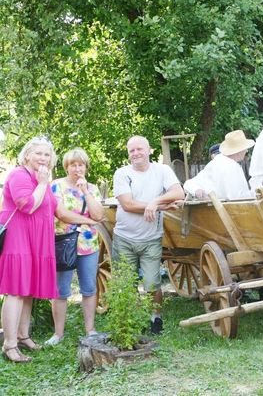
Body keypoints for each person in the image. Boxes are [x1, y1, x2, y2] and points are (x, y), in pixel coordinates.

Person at [0, 137, 97, 363]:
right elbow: (27, 205)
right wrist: (43, 183)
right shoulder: (19, 176)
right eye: (38, 154)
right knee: (15, 291)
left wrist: (90, 221)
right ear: (27, 156)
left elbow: (59, 211)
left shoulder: (38, 179)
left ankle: (23, 336)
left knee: (27, 291)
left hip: (35, 243)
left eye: (47, 154)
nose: (43, 158)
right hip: (18, 241)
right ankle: (10, 344)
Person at [112, 135, 185, 335]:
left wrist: (155, 203)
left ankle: (155, 318)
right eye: (131, 151)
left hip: (151, 238)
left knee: (152, 282)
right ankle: (134, 319)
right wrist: (160, 205)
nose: (135, 153)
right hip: (125, 237)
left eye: (139, 149)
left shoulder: (162, 170)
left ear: (149, 150)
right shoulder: (122, 173)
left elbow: (178, 193)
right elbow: (128, 205)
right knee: (127, 282)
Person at [44, 148, 105, 346]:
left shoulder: (93, 189)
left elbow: (98, 215)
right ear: (66, 167)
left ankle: (90, 330)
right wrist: (86, 221)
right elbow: (62, 214)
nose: (77, 169)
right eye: (73, 165)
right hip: (64, 243)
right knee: (61, 290)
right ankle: (58, 333)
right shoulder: (56, 186)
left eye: (80, 164)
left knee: (89, 288)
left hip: (88, 245)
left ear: (86, 167)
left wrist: (85, 191)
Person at [184, 130, 255, 200]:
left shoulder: (216, 162)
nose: (246, 151)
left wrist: (196, 190)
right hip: (231, 210)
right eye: (245, 149)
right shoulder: (229, 165)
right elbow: (238, 198)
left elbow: (189, 184)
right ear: (239, 150)